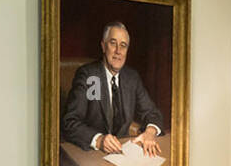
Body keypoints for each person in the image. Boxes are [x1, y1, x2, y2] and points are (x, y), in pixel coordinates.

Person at [61, 21, 164, 157]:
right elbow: (70, 122)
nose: (118, 51)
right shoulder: (89, 76)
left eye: (123, 45)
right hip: (91, 154)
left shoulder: (131, 78)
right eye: (113, 43)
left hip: (122, 154)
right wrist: (99, 140)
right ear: (103, 46)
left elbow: (152, 112)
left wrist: (150, 132)